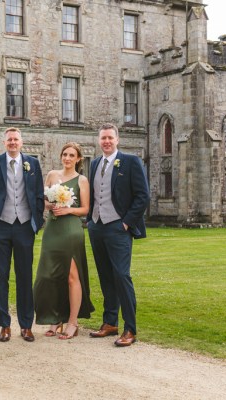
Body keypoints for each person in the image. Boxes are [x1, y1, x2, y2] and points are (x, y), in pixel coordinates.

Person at [87, 123, 149, 347]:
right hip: (96, 226)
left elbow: (143, 196)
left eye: (110, 138)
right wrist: (90, 221)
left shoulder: (131, 161)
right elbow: (94, 196)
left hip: (118, 227)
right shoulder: (94, 163)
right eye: (103, 138)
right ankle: (110, 322)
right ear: (98, 140)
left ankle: (130, 329)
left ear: (117, 139)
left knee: (122, 276)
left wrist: (125, 224)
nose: (106, 141)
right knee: (105, 276)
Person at [0, 127, 44, 342]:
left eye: (16, 139)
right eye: (9, 139)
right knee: (0, 276)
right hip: (1, 225)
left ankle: (26, 325)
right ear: (4, 142)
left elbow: (38, 194)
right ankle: (4, 324)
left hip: (25, 226)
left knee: (24, 276)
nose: (12, 143)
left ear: (21, 142)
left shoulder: (33, 164)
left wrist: (37, 220)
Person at [34, 143, 94, 340]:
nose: (67, 158)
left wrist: (68, 209)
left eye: (71, 155)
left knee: (70, 276)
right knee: (49, 275)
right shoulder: (52, 175)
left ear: (78, 159)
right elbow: (42, 201)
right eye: (65, 154)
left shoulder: (82, 180)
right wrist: (50, 204)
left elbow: (85, 209)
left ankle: (72, 322)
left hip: (70, 229)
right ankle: (55, 318)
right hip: (52, 229)